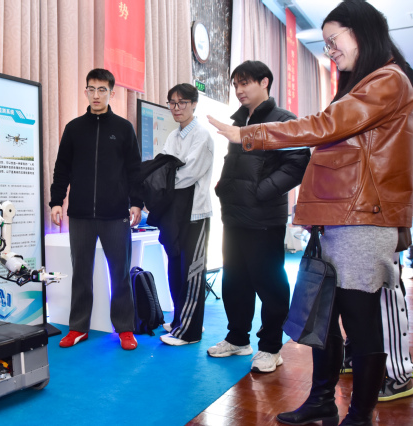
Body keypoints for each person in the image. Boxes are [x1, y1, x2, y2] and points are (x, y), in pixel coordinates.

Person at [208, 1, 413, 424]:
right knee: (323, 318)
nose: (330, 51)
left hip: (362, 218)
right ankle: (321, 400)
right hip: (338, 217)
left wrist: (248, 135)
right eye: (326, 44)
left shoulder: (388, 79)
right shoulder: (364, 83)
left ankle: (359, 416)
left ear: (362, 31)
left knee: (360, 322)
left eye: (334, 41)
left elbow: (323, 125)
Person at [207, 60, 310, 372]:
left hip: (264, 218)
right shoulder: (239, 120)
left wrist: (261, 191)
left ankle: (271, 347)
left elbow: (297, 164)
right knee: (234, 282)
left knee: (270, 284)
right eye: (236, 84)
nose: (239, 90)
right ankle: (238, 339)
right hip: (233, 216)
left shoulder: (283, 120)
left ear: (264, 82)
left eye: (245, 83)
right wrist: (224, 187)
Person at [49, 68, 142, 350]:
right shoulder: (74, 128)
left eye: (102, 90)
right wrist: (56, 201)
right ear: (86, 92)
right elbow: (62, 169)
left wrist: (136, 202)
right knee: (81, 272)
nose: (96, 95)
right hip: (80, 215)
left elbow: (134, 170)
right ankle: (78, 327)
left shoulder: (123, 129)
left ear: (111, 93)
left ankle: (125, 328)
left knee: (120, 273)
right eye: (92, 89)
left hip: (115, 214)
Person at [156, 83, 214, 346]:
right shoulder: (173, 136)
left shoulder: (202, 136)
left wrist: (162, 180)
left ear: (194, 104)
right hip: (174, 212)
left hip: (195, 214)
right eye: (172, 102)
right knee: (175, 267)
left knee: (192, 271)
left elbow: (187, 174)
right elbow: (164, 167)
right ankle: (181, 319)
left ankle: (189, 332)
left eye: (182, 103)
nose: (176, 108)